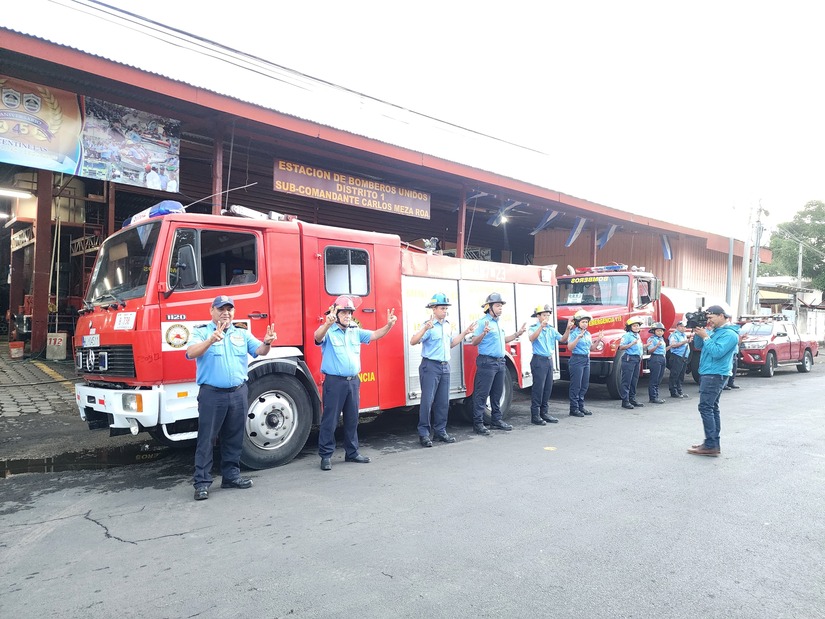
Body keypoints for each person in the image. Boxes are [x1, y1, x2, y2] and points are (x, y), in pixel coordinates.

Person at [187, 295, 276, 501]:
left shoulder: (241, 333)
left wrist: (267, 343)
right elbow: (191, 352)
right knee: (207, 439)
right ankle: (202, 483)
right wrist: (210, 340)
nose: (226, 313)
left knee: (234, 436)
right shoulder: (201, 331)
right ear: (212, 311)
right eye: (221, 309)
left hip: (238, 392)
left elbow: (260, 351)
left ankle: (231, 476)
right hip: (212, 394)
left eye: (229, 309)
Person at [316, 295, 397, 470]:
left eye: (350, 312)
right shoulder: (328, 331)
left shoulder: (354, 330)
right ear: (335, 314)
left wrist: (389, 325)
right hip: (334, 382)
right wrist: (326, 324)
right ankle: (326, 456)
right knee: (330, 420)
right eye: (344, 312)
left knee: (352, 419)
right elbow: (317, 337)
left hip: (353, 382)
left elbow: (375, 334)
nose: (348, 316)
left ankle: (352, 453)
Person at [409, 293, 476, 447]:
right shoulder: (428, 325)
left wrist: (466, 333)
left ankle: (440, 431)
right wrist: (425, 329)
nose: (445, 311)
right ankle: (424, 434)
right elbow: (413, 341)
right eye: (442, 308)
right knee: (427, 401)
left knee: (443, 402)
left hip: (445, 366)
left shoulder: (447, 325)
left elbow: (451, 343)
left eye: (446, 308)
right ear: (433, 309)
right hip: (430, 366)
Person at [469, 292, 526, 435]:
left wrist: (517, 334)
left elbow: (504, 340)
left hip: (500, 362)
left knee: (497, 393)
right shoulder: (483, 322)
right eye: (498, 306)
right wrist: (484, 333)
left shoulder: (498, 323)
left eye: (501, 306)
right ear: (489, 307)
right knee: (482, 394)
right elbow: (474, 341)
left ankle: (496, 420)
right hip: (487, 362)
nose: (501, 308)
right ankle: (478, 424)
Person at [688, 304, 740, 457]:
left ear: (722, 316)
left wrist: (706, 336)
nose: (709, 321)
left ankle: (710, 444)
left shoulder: (730, 334)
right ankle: (712, 442)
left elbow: (717, 352)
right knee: (712, 408)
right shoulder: (715, 332)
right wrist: (699, 333)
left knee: (705, 407)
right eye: (707, 318)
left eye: (711, 317)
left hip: (715, 374)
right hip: (710, 372)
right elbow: (698, 346)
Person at [527, 304, 570, 425]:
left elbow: (562, 339)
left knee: (548, 387)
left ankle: (544, 412)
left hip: (548, 359)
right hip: (538, 360)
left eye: (548, 315)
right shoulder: (533, 327)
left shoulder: (551, 329)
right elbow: (532, 338)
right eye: (544, 315)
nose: (547, 317)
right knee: (538, 388)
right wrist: (541, 327)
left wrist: (567, 329)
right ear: (538, 316)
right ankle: (535, 415)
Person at [566, 309, 603, 417]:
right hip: (576, 359)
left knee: (584, 385)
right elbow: (570, 347)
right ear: (578, 322)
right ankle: (574, 408)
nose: (585, 324)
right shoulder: (573, 333)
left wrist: (599, 340)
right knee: (576, 385)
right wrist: (578, 338)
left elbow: (591, 348)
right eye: (583, 322)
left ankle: (581, 406)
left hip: (586, 359)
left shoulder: (588, 334)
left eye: (586, 322)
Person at [618, 316, 645, 409]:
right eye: (634, 326)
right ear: (630, 327)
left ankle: (632, 399)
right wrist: (631, 344)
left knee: (634, 380)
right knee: (627, 381)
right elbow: (621, 347)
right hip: (629, 359)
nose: (637, 327)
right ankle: (625, 401)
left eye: (638, 325)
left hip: (637, 359)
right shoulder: (627, 336)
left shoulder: (637, 335)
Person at [668, 320, 692, 398]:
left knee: (681, 375)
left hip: (683, 357)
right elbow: (673, 345)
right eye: (681, 326)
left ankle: (679, 391)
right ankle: (673, 392)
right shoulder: (674, 335)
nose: (683, 328)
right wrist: (685, 342)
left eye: (684, 327)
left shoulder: (683, 335)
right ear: (677, 327)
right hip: (677, 356)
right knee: (675, 374)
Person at [646, 322, 667, 403]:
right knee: (654, 379)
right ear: (654, 331)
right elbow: (649, 351)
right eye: (658, 331)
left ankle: (656, 396)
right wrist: (656, 346)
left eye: (661, 331)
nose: (660, 332)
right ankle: (653, 397)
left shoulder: (661, 339)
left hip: (662, 358)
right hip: (655, 358)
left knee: (659, 379)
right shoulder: (652, 339)